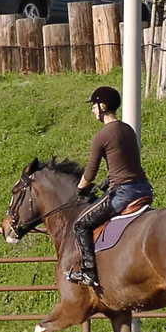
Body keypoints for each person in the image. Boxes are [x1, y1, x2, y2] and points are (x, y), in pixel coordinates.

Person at [67, 86, 153, 288]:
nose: (92, 110)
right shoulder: (127, 129)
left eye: (94, 106)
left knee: (81, 225)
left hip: (123, 193)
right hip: (144, 188)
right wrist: (107, 181)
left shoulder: (103, 135)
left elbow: (90, 172)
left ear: (103, 106)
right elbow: (126, 163)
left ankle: (88, 272)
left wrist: (80, 190)